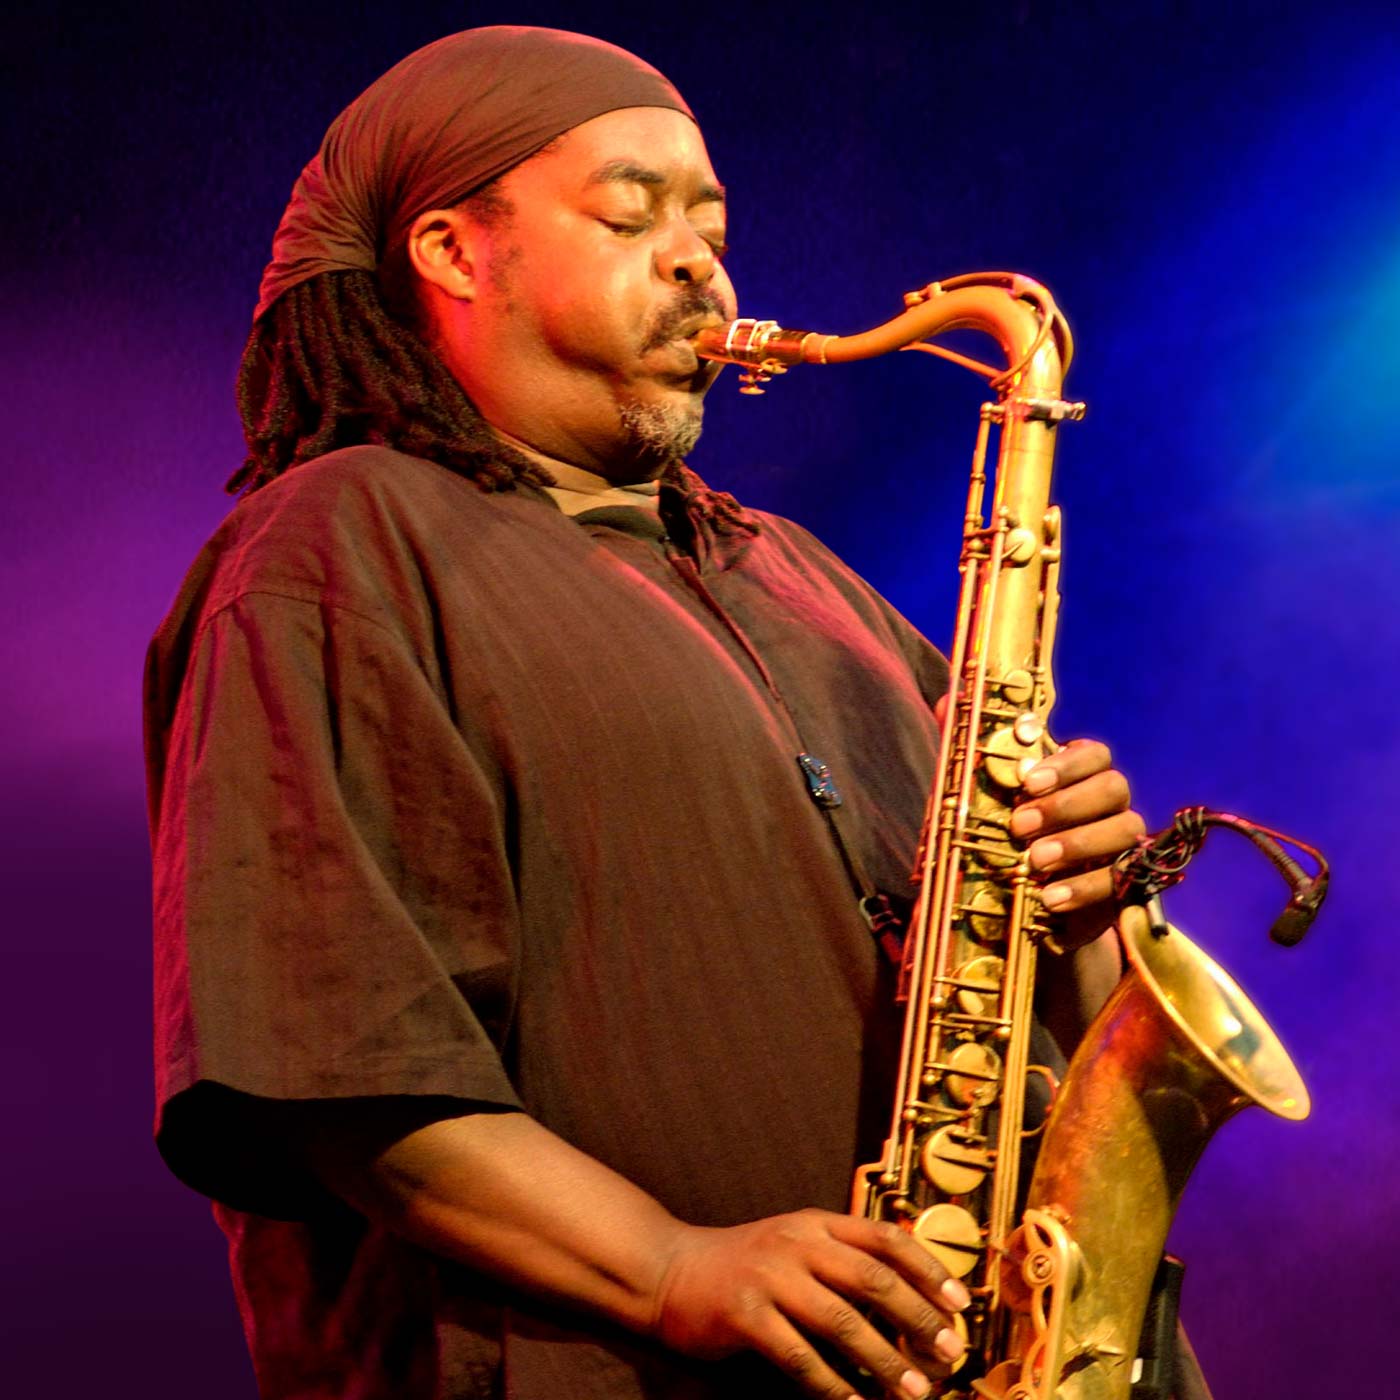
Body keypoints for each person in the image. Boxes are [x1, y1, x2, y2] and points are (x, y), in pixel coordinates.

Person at [145, 27, 1145, 1400]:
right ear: (452, 251)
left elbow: (1020, 1008)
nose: (699, 265)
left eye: (711, 229)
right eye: (632, 216)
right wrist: (672, 1266)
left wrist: (1080, 909)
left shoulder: (796, 570)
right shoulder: (335, 542)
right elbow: (334, 1059)